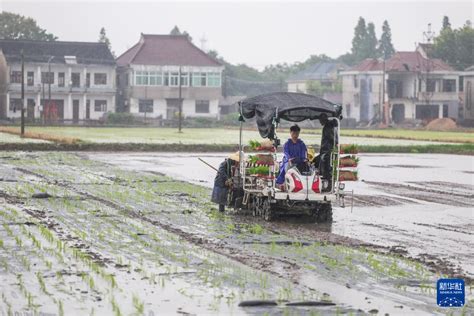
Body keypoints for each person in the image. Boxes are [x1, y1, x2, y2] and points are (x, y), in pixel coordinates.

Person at [276, 124, 307, 188]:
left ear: (299, 133)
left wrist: (304, 159)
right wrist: (289, 159)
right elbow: (286, 153)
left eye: (297, 133)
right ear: (290, 133)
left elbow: (303, 153)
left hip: (299, 161)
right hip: (289, 161)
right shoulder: (287, 144)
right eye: (293, 133)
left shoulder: (301, 144)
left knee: (306, 167)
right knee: (287, 166)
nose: (295, 135)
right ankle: (283, 183)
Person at [314, 113, 338, 191]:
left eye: (320, 120)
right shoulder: (329, 126)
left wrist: (328, 151)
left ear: (323, 119)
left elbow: (333, 139)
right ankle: (324, 183)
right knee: (316, 162)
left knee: (327, 170)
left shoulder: (328, 127)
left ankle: (328, 186)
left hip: (328, 152)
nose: (320, 122)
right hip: (325, 151)